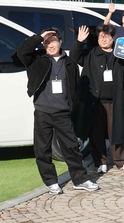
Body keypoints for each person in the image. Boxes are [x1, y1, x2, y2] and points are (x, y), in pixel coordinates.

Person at [16, 27, 99, 195]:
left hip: (62, 113)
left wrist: (70, 106)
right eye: (47, 42)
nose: (50, 45)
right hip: (42, 111)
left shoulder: (69, 63)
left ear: (60, 42)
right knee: (42, 149)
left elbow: (75, 86)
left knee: (71, 148)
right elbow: (21, 52)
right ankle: (51, 182)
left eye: (53, 41)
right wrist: (40, 36)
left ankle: (80, 180)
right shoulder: (37, 59)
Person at [70, 25, 124, 173]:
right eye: (101, 36)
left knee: (116, 131)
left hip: (114, 100)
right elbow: (74, 58)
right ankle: (100, 161)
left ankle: (121, 160)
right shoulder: (91, 53)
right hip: (95, 101)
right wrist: (80, 41)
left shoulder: (120, 54)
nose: (104, 39)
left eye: (107, 36)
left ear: (113, 38)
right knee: (96, 132)